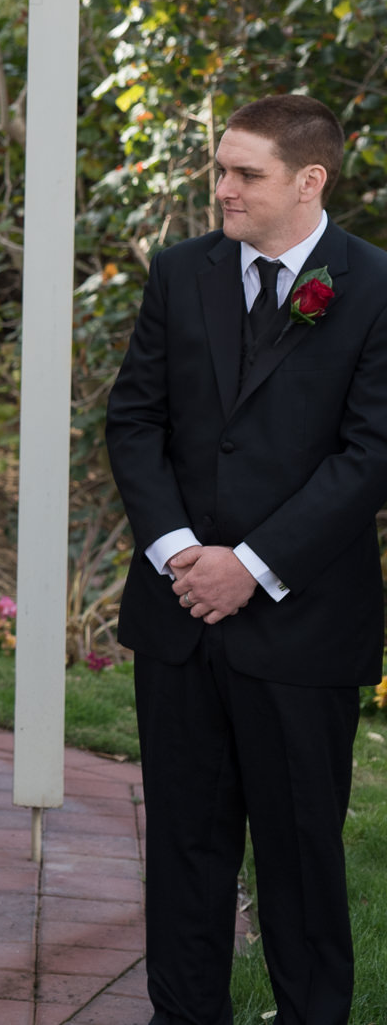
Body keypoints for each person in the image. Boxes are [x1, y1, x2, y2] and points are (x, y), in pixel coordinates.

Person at [105, 94, 387, 1025]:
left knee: (300, 854)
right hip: (182, 614)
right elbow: (135, 419)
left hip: (302, 627)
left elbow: (369, 454)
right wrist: (183, 553)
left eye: (245, 174)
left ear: (310, 181)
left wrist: (253, 564)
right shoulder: (181, 272)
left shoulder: (376, 286)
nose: (221, 188)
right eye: (220, 168)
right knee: (183, 845)